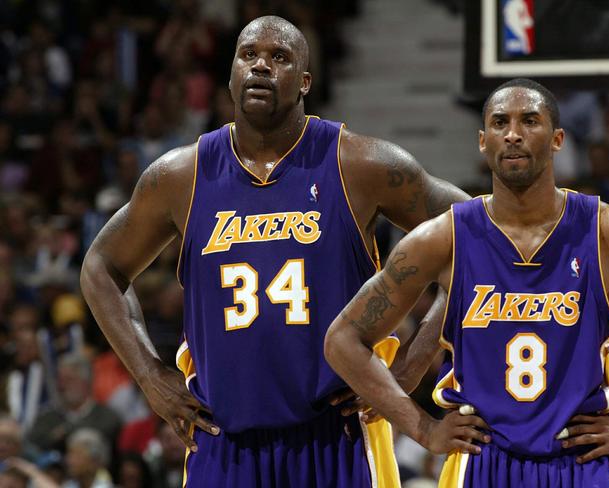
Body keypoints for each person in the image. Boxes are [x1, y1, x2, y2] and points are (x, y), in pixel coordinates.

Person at [80, 15, 470, 488]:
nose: (261, 66)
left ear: (305, 82)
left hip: (337, 437)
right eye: (249, 55)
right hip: (222, 440)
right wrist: (148, 374)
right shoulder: (180, 176)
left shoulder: (361, 164)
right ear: (230, 74)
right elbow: (101, 267)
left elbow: (482, 236)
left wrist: (412, 363)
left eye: (279, 58)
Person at [325, 78, 609, 487]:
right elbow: (343, 340)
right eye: (500, 123)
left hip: (582, 461)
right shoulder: (442, 238)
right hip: (482, 462)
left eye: (529, 121)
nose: (513, 134)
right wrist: (422, 427)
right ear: (483, 141)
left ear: (557, 139)